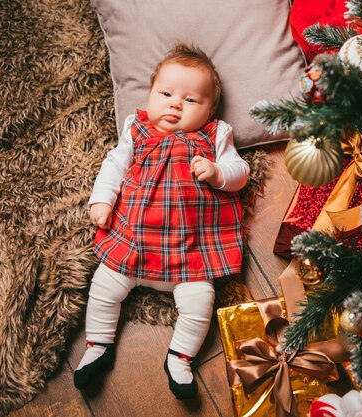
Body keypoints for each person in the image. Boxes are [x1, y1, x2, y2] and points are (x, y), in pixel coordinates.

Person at [74, 43, 250, 400]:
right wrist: (102, 200)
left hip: (189, 252)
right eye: (166, 93)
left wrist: (218, 172)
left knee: (201, 301)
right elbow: (113, 166)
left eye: (190, 100)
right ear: (150, 94)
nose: (174, 104)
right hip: (133, 242)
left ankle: (180, 357)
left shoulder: (214, 135)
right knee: (104, 287)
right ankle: (98, 345)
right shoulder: (136, 128)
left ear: (210, 109)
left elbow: (241, 172)